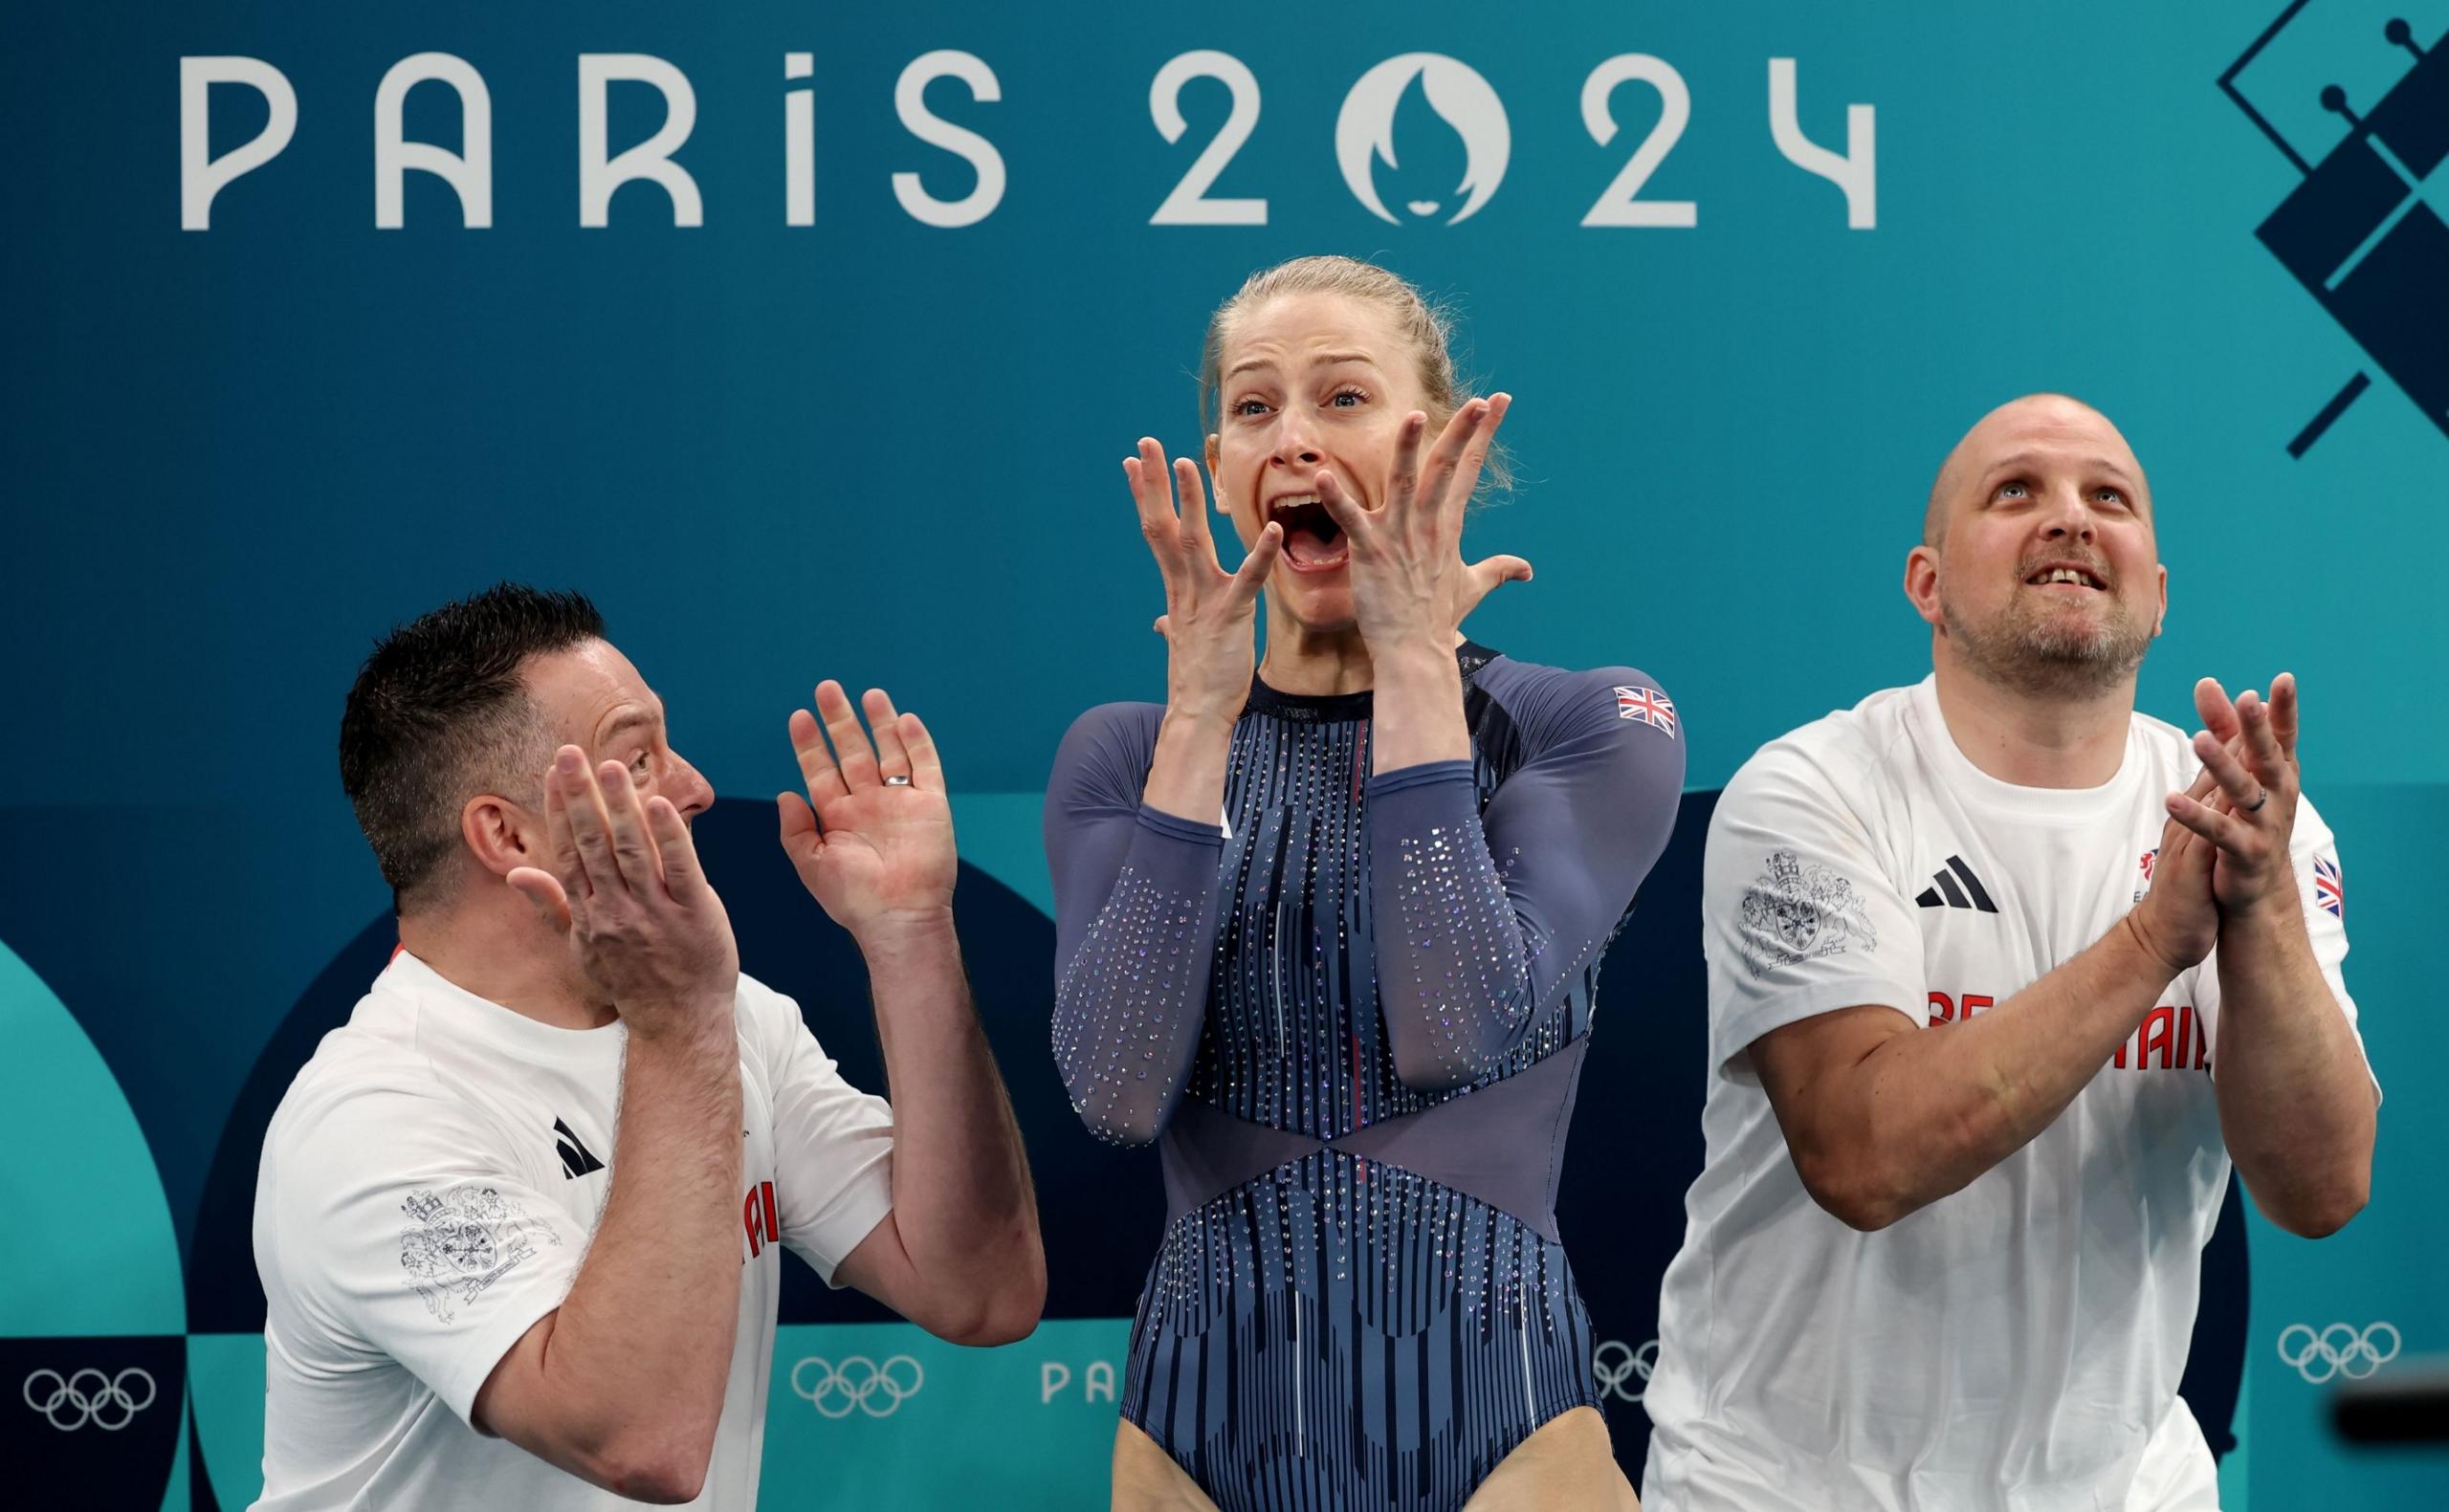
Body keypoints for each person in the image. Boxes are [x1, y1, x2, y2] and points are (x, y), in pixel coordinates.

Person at [1641, 395, 2377, 1511]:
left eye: (2108, 498)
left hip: (2123, 1483)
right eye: (2015, 491)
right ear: (1925, 585)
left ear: (2159, 596)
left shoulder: (2252, 819)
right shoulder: (1809, 794)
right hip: (1784, 1488)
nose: (2070, 520)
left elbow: (2321, 1187)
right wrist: (2150, 944)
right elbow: (1864, 1158)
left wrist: (2263, 906)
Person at [1046, 255, 1684, 1511]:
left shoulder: (1587, 724)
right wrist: (1196, 727)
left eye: (1340, 398)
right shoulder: (1125, 752)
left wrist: (1414, 665)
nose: (1291, 439)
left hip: (1509, 1454)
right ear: (1218, 466)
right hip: (1191, 1459)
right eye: (1251, 406)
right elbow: (1116, 1092)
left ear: (1436, 441)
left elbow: (1456, 1025)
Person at [252, 583, 1043, 1509]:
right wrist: (682, 1021)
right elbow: (642, 1443)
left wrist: (910, 935)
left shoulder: (732, 1019)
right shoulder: (374, 1116)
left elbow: (980, 1292)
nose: (698, 788)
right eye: (640, 758)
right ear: (507, 835)